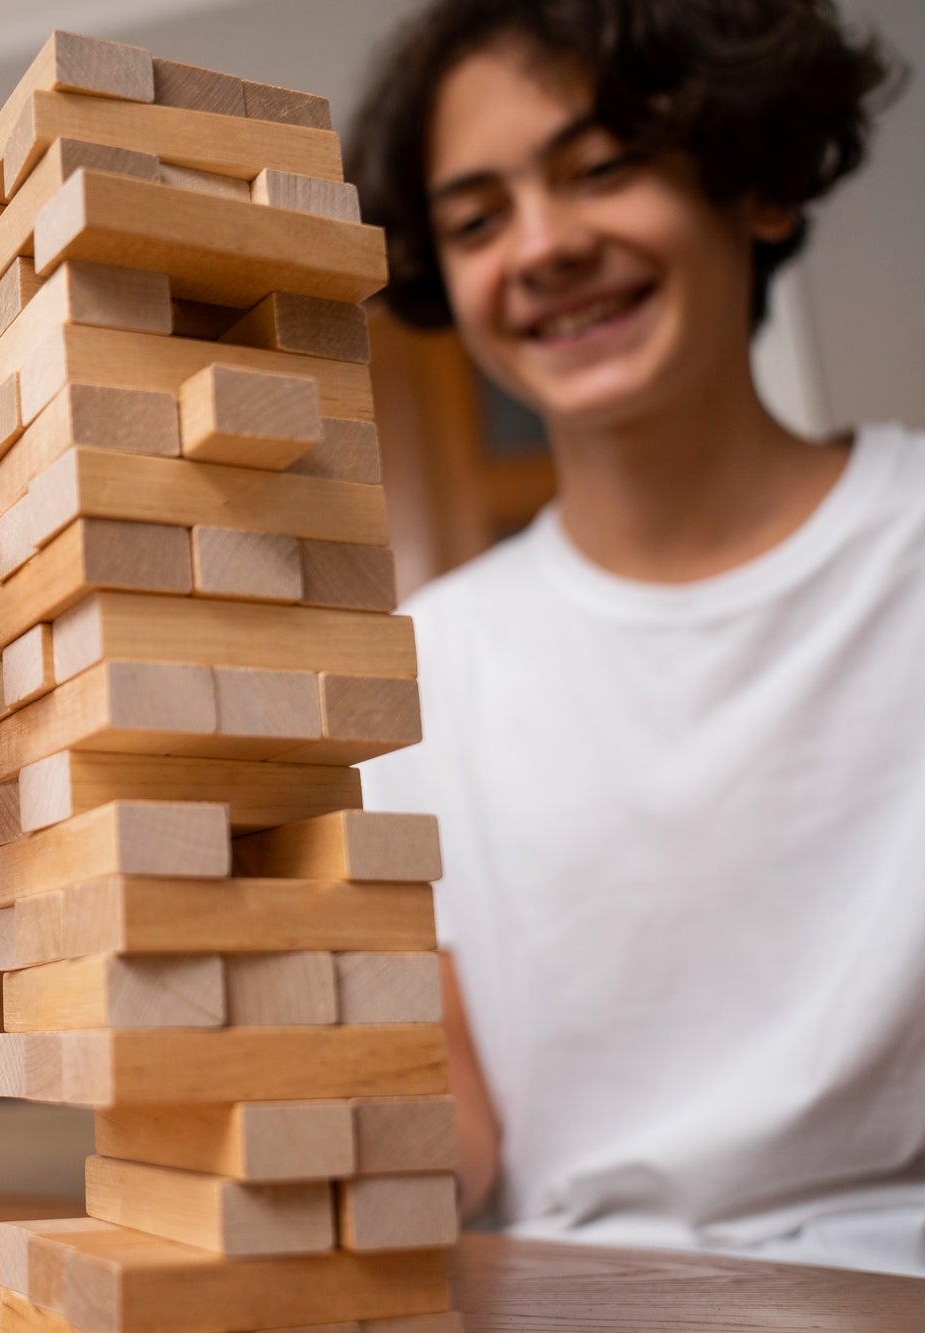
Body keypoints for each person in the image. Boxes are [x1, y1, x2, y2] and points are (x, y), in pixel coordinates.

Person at [350, 0, 922, 1275]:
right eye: (475, 219)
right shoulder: (413, 668)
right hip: (563, 1292)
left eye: (601, 169)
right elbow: (445, 1130)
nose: (543, 248)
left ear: (755, 186)